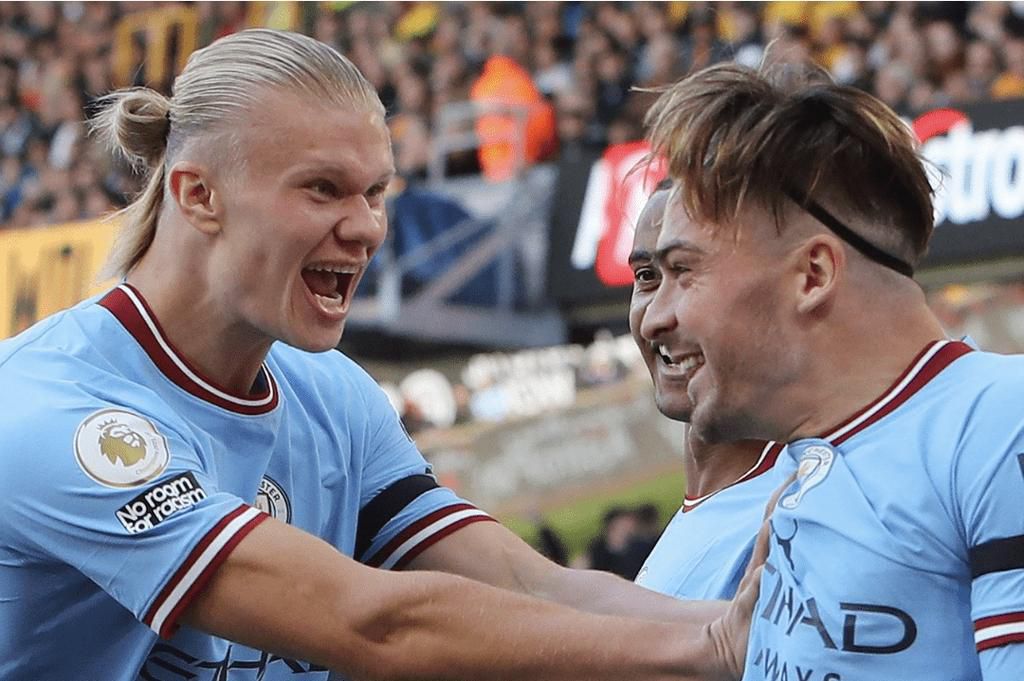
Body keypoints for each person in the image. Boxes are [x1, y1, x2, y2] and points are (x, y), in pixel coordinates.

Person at [0, 29, 760, 681]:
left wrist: (754, 633)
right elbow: (371, 625)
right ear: (199, 195)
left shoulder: (330, 392)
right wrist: (707, 648)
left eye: (376, 192)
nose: (366, 227)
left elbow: (529, 581)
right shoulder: (54, 409)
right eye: (323, 189)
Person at [641, 60, 1024, 680]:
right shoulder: (803, 468)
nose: (656, 317)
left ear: (812, 275)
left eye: (684, 271)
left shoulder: (1000, 422)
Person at [629, 184, 787, 600]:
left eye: (688, 274)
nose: (654, 320)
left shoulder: (794, 518)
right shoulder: (711, 509)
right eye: (646, 277)